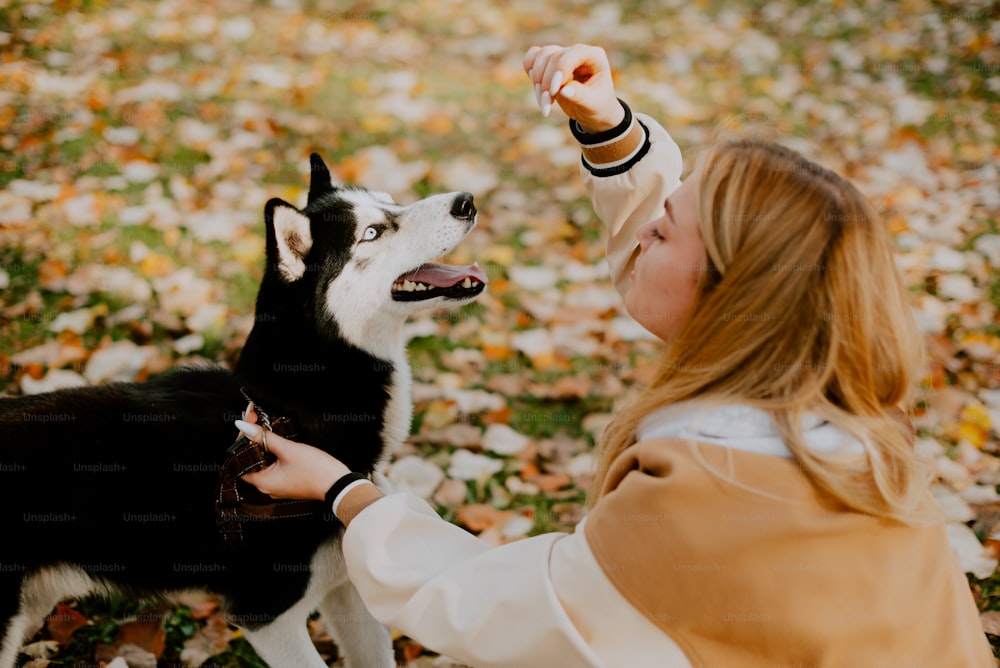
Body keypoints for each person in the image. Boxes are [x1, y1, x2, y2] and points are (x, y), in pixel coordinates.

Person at [235, 43, 993, 667]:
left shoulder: (710, 494)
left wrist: (346, 493)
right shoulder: (839, 396)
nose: (644, 235)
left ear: (729, 293)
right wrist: (612, 132)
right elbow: (684, 253)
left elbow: (497, 608)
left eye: (662, 231)